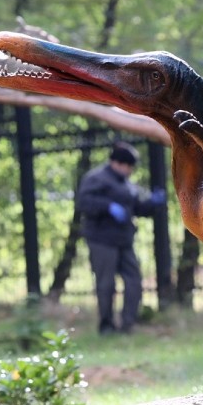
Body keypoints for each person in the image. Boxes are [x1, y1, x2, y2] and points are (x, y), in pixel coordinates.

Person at [77, 141, 166, 335]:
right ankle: (106, 325)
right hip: (101, 240)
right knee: (106, 284)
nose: (130, 171)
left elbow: (137, 208)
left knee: (134, 280)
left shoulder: (126, 183)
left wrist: (153, 204)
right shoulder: (96, 178)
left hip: (124, 240)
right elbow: (84, 202)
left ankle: (128, 324)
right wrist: (107, 207)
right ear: (117, 163)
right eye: (128, 167)